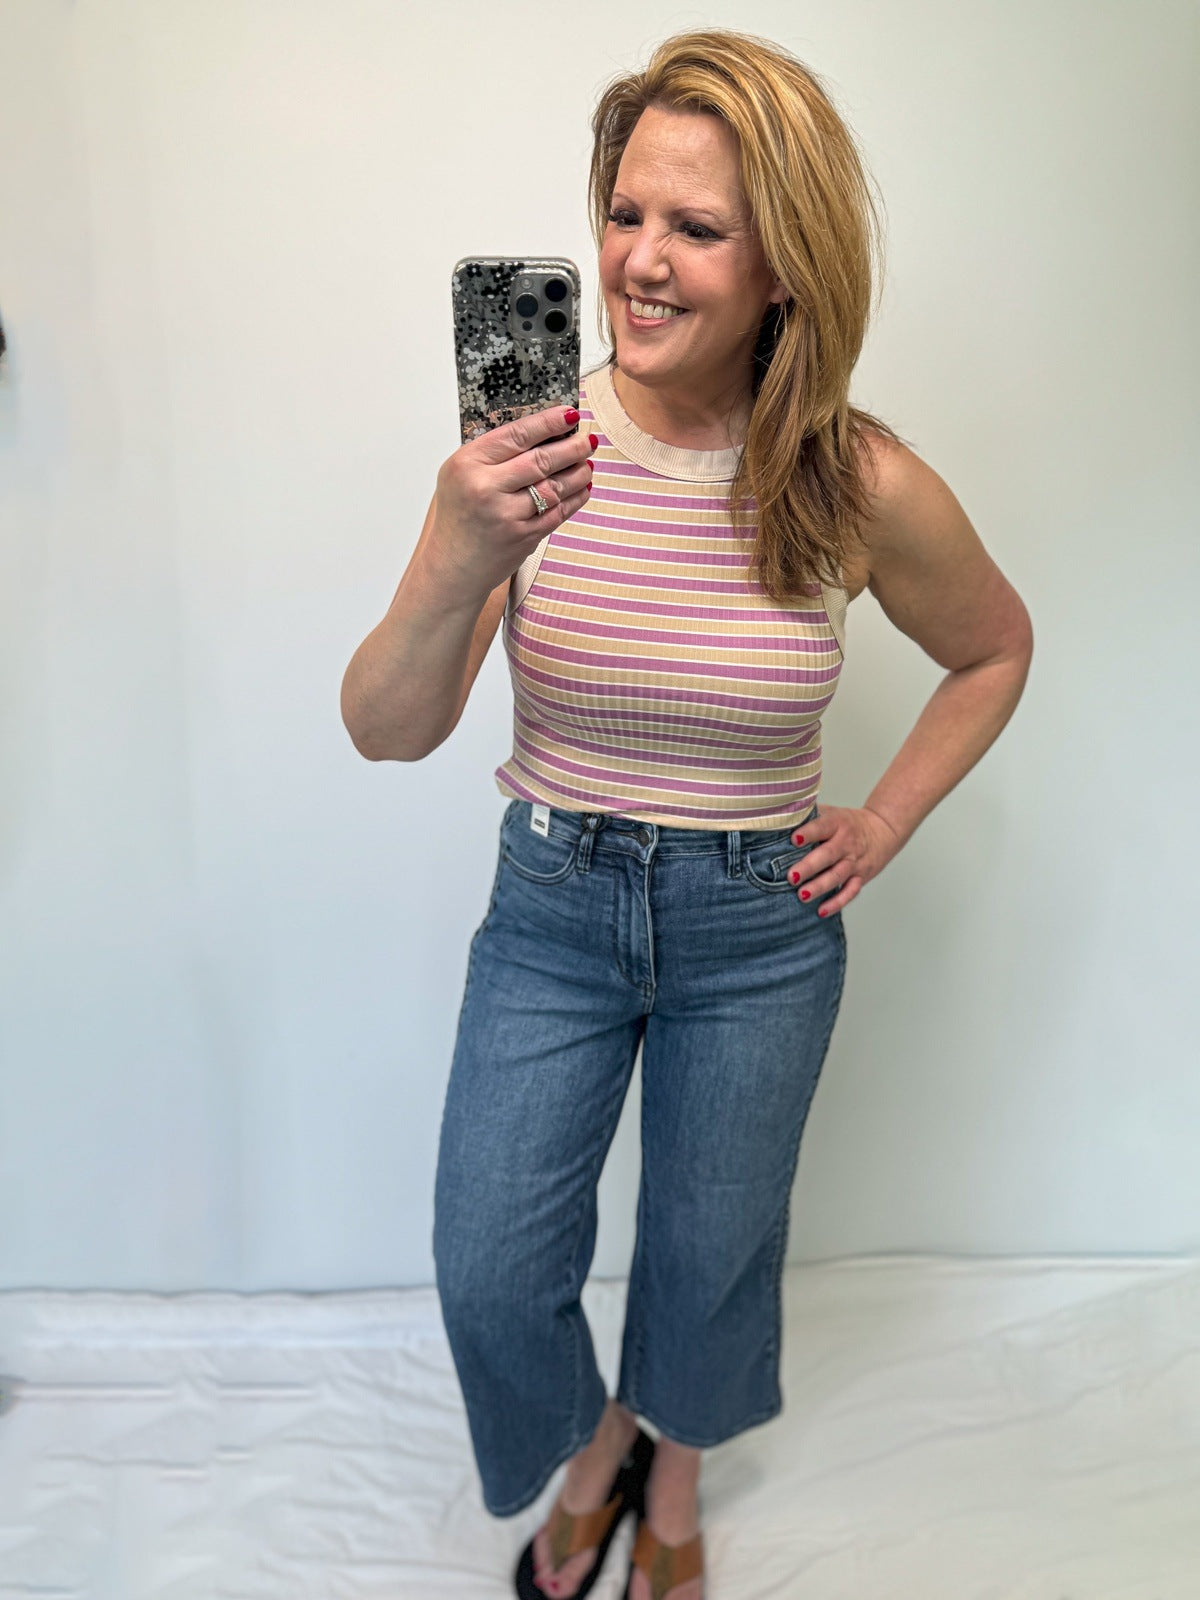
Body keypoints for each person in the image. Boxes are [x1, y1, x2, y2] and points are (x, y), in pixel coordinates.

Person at [340, 27, 1033, 1600]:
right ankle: (599, 1442)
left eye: (696, 227)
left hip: (756, 933)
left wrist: (883, 821)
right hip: (555, 908)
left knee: (712, 1252)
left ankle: (676, 1476)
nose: (639, 262)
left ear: (784, 263)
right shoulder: (532, 460)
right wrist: (456, 548)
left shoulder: (858, 484)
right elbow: (385, 729)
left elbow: (995, 649)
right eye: (624, 212)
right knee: (490, 1263)